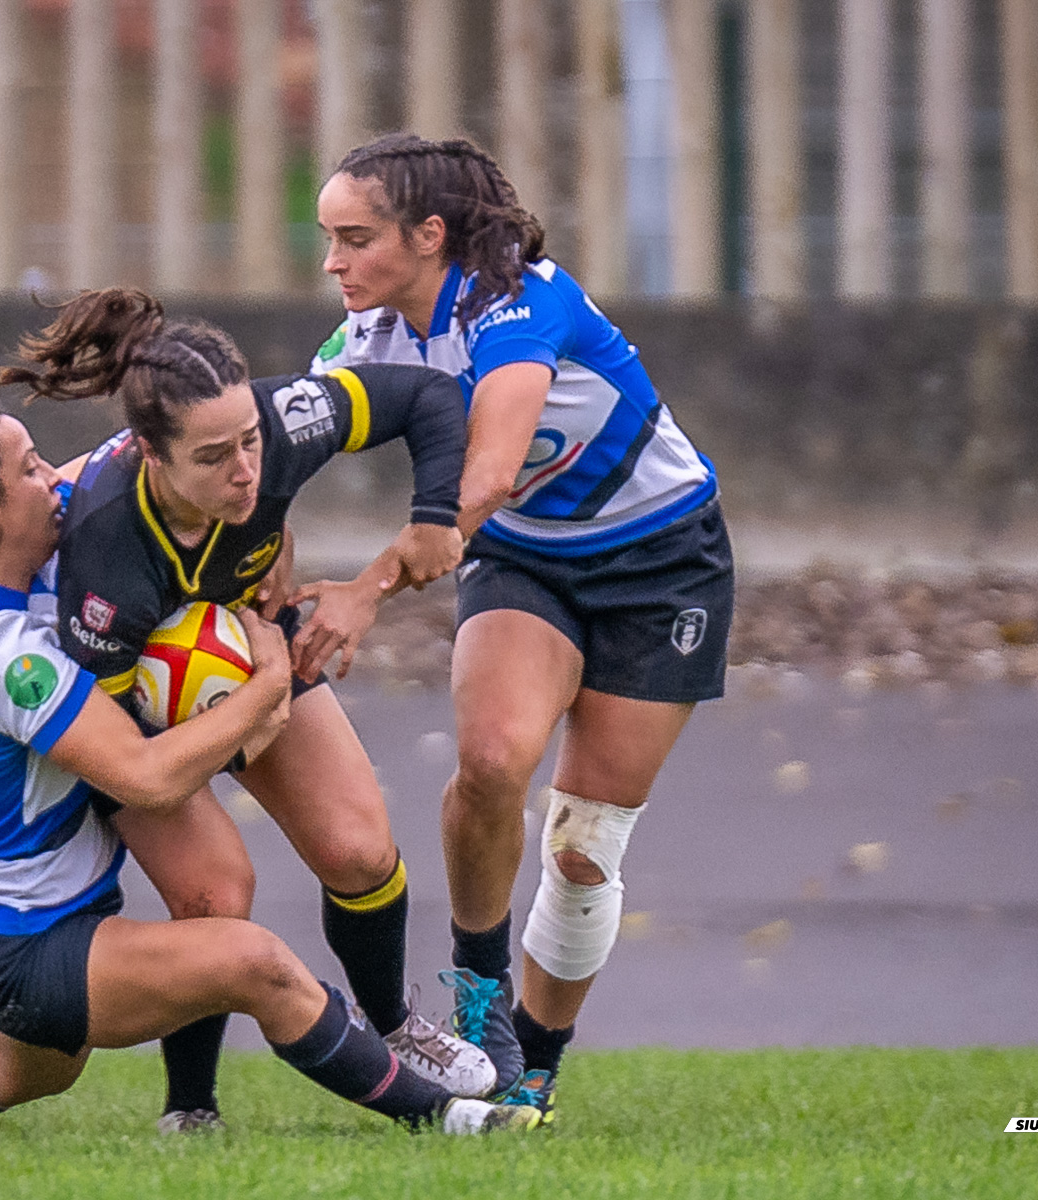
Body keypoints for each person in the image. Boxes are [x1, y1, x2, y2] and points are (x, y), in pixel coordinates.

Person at [0, 381, 540, 1137]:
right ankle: (453, 1118)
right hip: (31, 952)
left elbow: (141, 464)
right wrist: (265, 686)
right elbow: (146, 777)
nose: (53, 477)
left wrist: (260, 538)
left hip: (6, 924)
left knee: (15, 1070)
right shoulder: (2, 658)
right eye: (30, 469)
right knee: (258, 964)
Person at [0, 288, 495, 1131]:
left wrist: (435, 516)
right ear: (151, 455)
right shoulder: (105, 555)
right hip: (139, 713)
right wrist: (250, 713)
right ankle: (190, 1109)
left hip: (248, 645)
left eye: (251, 441)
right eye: (215, 456)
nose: (247, 471)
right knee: (214, 895)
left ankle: (396, 1029)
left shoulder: (285, 421)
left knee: (361, 851)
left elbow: (430, 396)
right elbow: (118, 753)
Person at [312, 134, 736, 1120]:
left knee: (584, 849)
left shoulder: (518, 302)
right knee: (495, 761)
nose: (333, 263)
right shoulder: (370, 333)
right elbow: (260, 442)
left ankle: (536, 1062)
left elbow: (492, 473)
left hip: (665, 561)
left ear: (429, 234)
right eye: (328, 239)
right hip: (525, 561)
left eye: (355, 239)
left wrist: (365, 590)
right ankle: (481, 995)